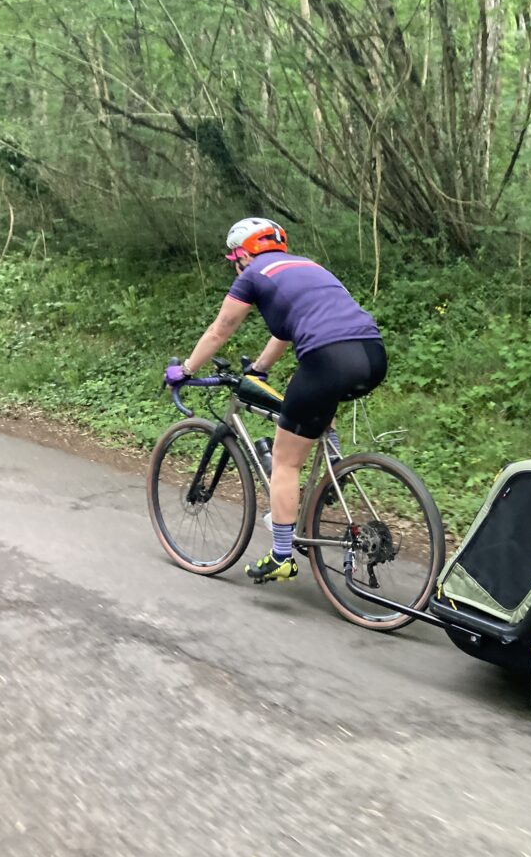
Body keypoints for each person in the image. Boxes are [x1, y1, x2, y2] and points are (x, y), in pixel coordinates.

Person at [164, 217, 387, 583]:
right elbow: (286, 332)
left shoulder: (252, 275)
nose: (235, 265)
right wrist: (260, 368)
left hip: (328, 359)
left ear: (244, 254)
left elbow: (221, 328)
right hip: (372, 355)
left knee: (284, 460)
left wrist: (186, 369)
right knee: (316, 412)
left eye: (234, 258)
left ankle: (282, 555)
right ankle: (333, 471)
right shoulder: (307, 267)